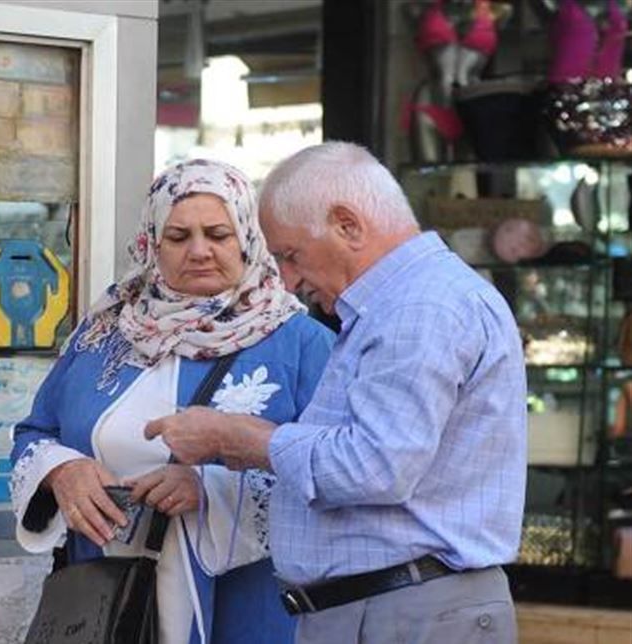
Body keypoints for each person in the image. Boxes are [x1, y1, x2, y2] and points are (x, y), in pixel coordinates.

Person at [145, 142, 527, 643]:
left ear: (347, 225)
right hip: (387, 609)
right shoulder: (399, 304)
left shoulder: (420, 307)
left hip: (407, 612)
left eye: (291, 255)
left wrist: (242, 438)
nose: (288, 280)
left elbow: (376, 467)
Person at [10, 160, 334, 644]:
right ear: (152, 242)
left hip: (249, 607)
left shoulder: (301, 343)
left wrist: (212, 490)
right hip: (105, 605)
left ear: (248, 239)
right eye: (179, 236)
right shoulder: (104, 332)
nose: (199, 251)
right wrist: (61, 472)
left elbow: (339, 472)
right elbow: (36, 432)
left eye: (218, 234)